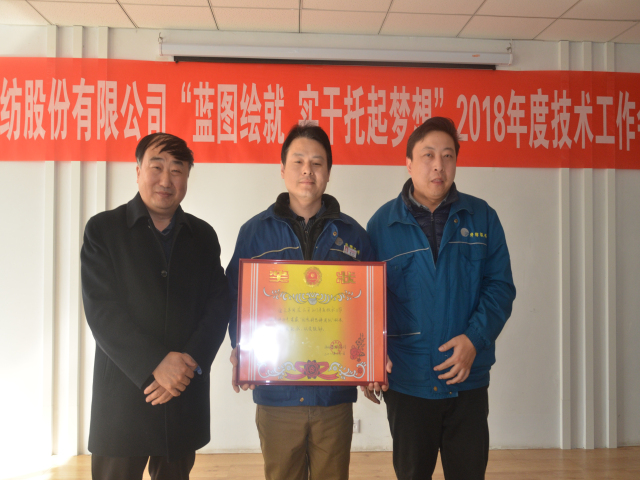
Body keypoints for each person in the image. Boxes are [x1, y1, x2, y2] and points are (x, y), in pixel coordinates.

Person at [366, 117, 516, 480]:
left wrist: (474, 340)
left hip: (467, 378)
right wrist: (369, 360)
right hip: (408, 381)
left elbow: (500, 287)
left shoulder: (482, 217)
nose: (439, 165)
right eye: (428, 155)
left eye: (448, 156)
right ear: (408, 163)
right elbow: (367, 301)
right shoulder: (381, 226)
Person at [226, 123, 374, 480]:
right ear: (282, 170)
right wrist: (240, 348)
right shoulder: (254, 233)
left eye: (317, 163)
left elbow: (369, 305)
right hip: (277, 397)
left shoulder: (354, 235)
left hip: (333, 398)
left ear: (329, 173)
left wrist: (371, 359)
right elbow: (234, 297)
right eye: (298, 161)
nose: (308, 170)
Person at [81, 133, 230, 480]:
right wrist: (155, 363)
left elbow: (218, 305)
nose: (166, 180)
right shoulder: (104, 230)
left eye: (177, 170)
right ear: (138, 171)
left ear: (187, 177)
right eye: (157, 167)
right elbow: (102, 310)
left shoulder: (203, 236)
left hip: (181, 394)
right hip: (123, 397)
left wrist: (187, 364)